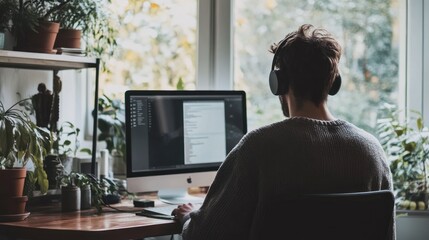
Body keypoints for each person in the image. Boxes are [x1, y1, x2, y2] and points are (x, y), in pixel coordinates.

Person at [172, 24, 395, 240]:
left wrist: (188, 219)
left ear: (278, 83)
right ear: (333, 83)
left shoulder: (258, 148)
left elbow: (207, 235)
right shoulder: (372, 151)